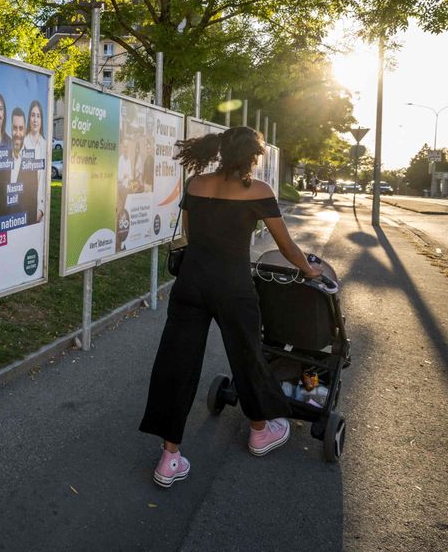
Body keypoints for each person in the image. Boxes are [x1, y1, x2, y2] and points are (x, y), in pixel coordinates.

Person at [138, 126, 322, 487]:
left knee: (177, 363)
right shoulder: (258, 191)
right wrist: (308, 269)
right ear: (252, 157)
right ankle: (259, 430)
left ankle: (169, 457)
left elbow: (190, 234)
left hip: (190, 284)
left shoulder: (196, 184)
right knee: (247, 355)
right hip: (233, 288)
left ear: (222, 152)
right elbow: (286, 245)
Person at [0, 107, 39, 221]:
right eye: (14, 128)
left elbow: (32, 202)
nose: (17, 133)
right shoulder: (2, 158)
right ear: (10, 128)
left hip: (22, 229)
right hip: (3, 228)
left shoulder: (31, 161)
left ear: (25, 130)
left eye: (21, 128)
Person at [22, 99, 48, 223]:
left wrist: (41, 210)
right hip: (23, 208)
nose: (35, 120)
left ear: (42, 120)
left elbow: (45, 181)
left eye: (38, 116)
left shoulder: (45, 146)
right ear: (29, 118)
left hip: (40, 212)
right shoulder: (22, 143)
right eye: (32, 115)